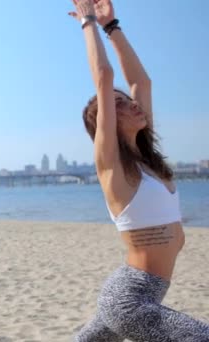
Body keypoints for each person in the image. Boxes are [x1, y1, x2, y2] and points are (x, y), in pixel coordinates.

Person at [69, 0, 209, 341]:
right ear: (107, 123)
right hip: (131, 299)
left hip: (135, 291)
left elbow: (141, 83)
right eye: (118, 105)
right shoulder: (112, 166)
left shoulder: (147, 160)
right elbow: (103, 77)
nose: (132, 104)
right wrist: (88, 22)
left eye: (126, 100)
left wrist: (112, 26)